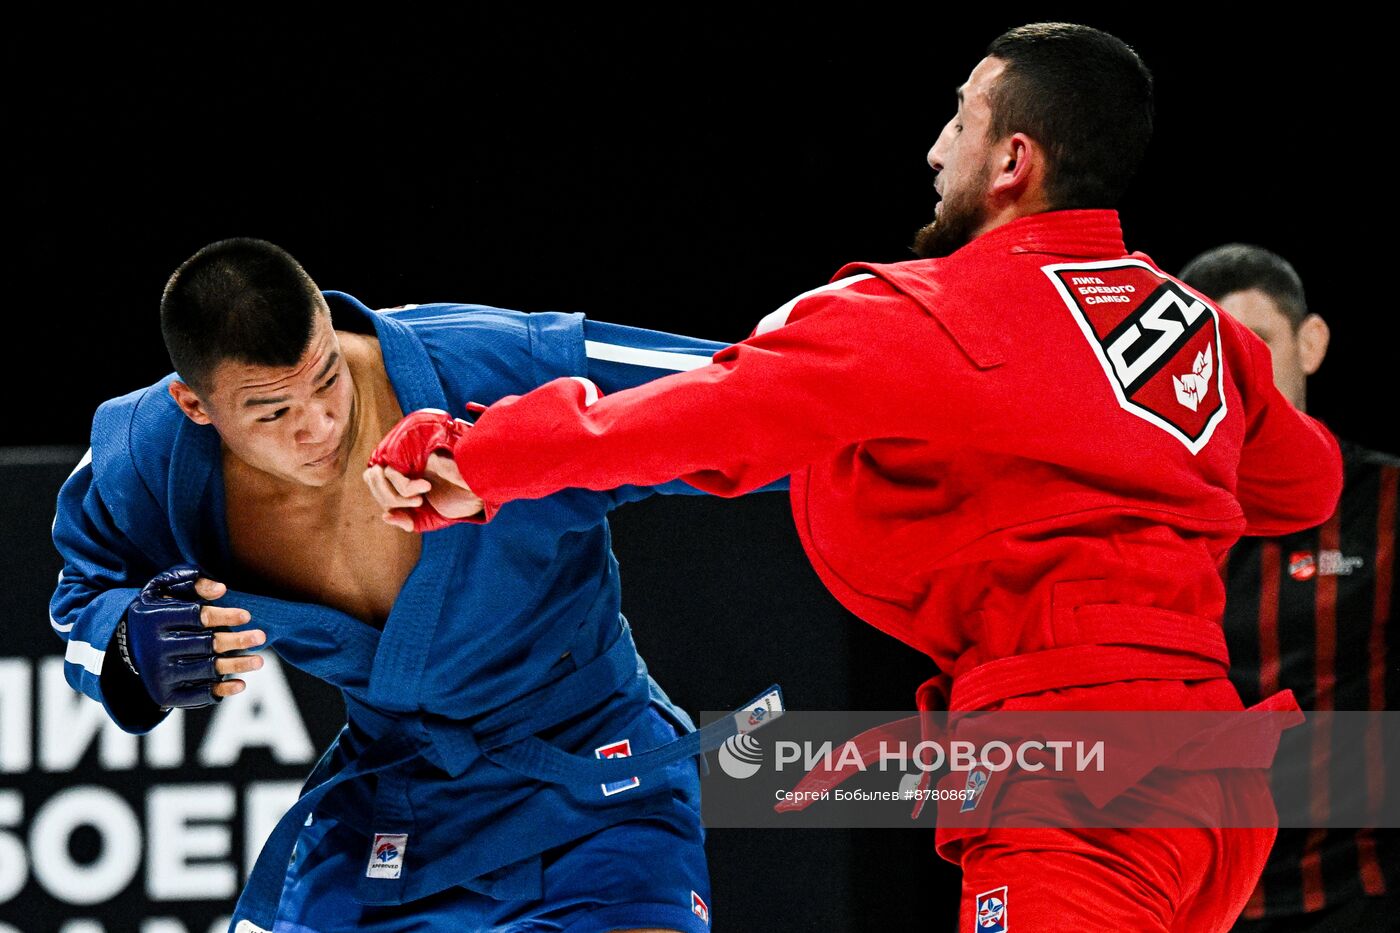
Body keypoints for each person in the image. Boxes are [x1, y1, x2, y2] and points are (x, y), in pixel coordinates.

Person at [365, 23, 1343, 933]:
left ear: (1012, 161)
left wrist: (476, 457)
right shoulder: (1191, 326)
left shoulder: (919, 314)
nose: (933, 149)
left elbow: (696, 416)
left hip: (1072, 765)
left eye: (959, 118)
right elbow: (1305, 488)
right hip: (1217, 778)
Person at [49, 237, 784, 933]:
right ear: (195, 406)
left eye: (327, 376)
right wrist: (124, 649)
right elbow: (80, 597)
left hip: (595, 783)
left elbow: (752, 400)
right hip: (387, 806)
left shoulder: (496, 365)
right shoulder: (145, 455)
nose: (322, 424)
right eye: (273, 411)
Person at [1180, 244, 1397, 932]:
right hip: (1196, 900)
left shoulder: (1386, 500)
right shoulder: (1157, 522)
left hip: (1360, 899)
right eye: (1213, 349)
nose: (1237, 373)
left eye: (1255, 344)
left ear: (1312, 343)